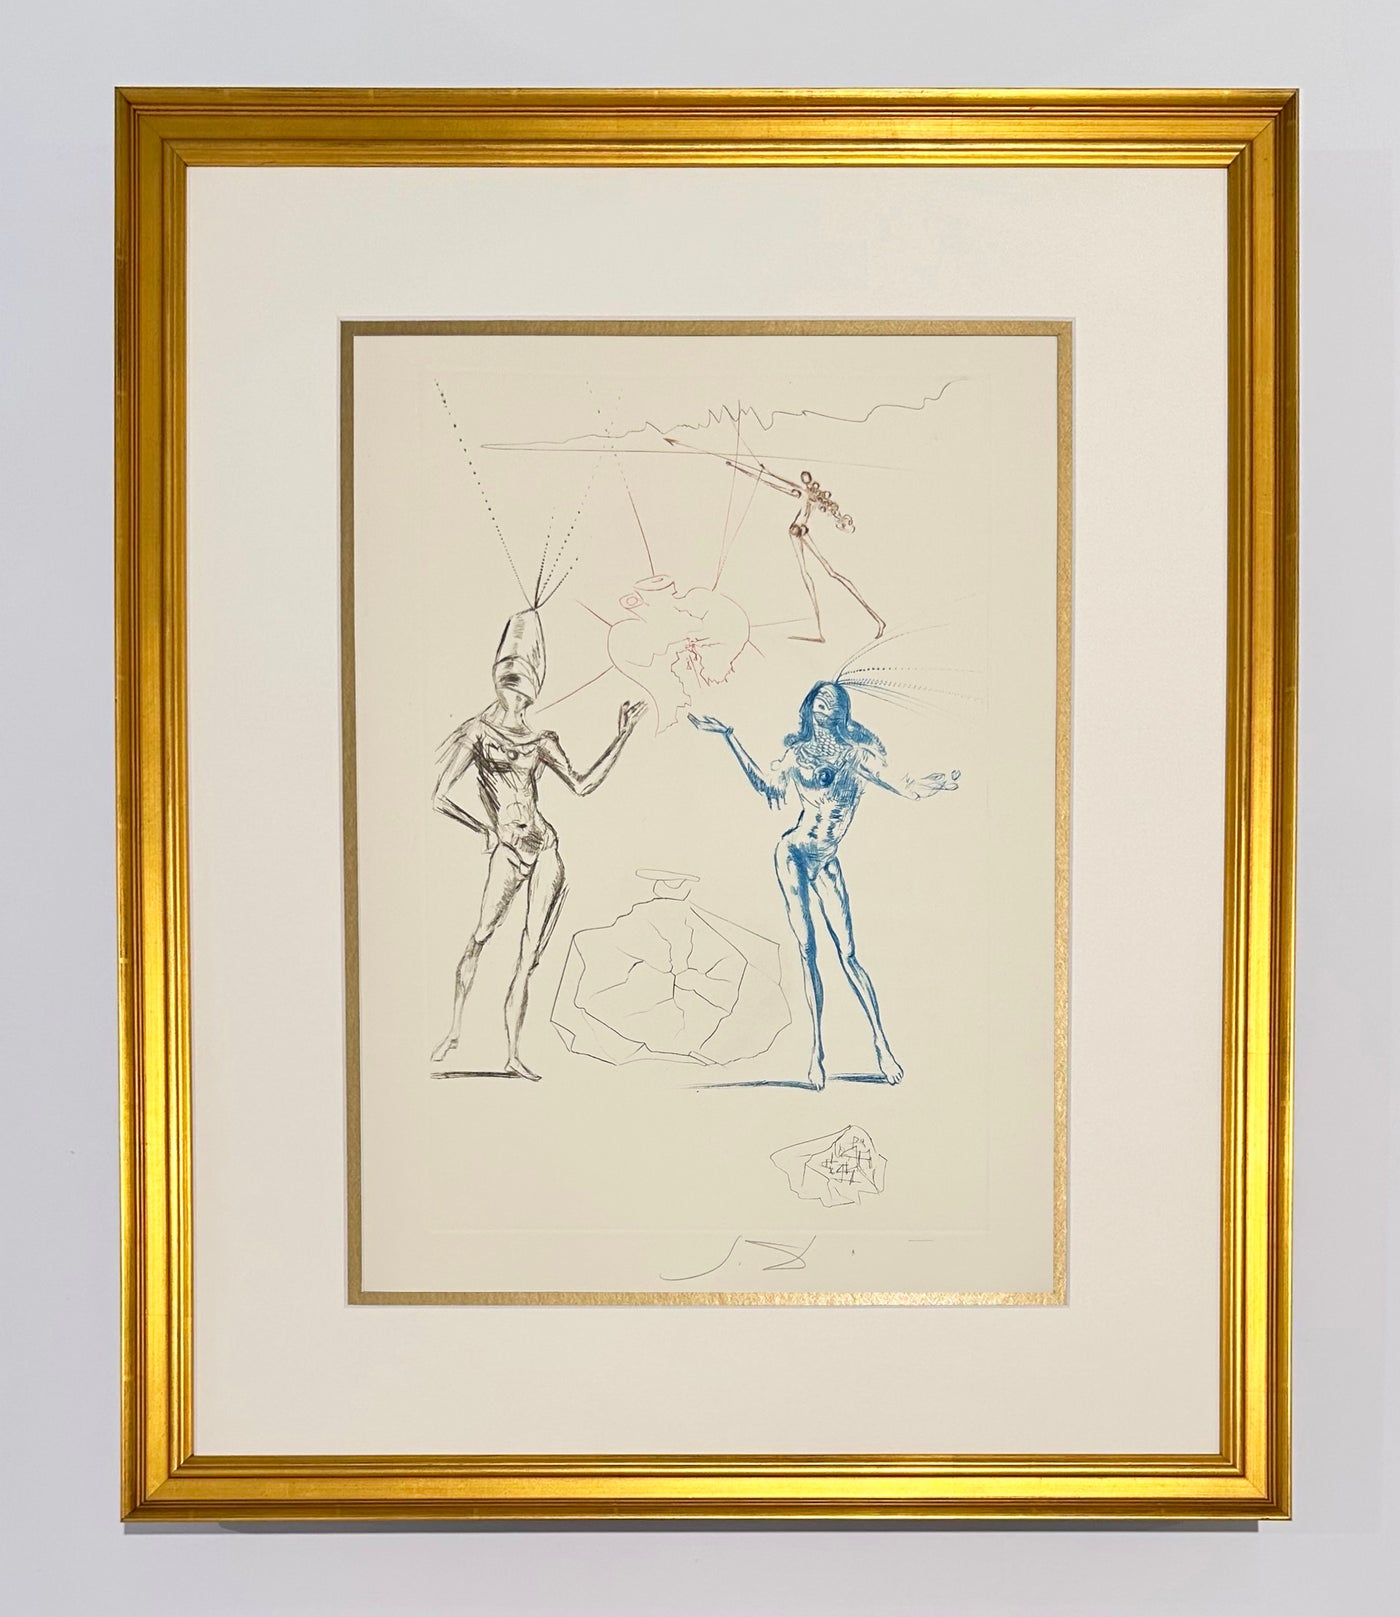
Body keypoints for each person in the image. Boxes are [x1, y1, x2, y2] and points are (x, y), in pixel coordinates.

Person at [689, 681, 956, 1089]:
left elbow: (902, 784)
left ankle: (882, 1046)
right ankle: (816, 1052)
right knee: (808, 951)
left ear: (841, 712)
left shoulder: (856, 757)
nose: (823, 704)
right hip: (794, 855)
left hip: (826, 861)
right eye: (819, 698)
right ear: (810, 708)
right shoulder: (796, 755)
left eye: (831, 701)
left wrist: (933, 784)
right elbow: (765, 785)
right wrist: (729, 736)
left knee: (848, 955)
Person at [431, 607, 646, 1078]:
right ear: (496, 677)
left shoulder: (541, 740)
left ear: (534, 687)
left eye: (524, 678)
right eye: (509, 675)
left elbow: (582, 785)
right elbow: (440, 796)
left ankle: (512, 1054)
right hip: (508, 853)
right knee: (482, 935)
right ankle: (454, 1030)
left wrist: (622, 736)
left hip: (545, 849)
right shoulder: (477, 733)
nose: (515, 686)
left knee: (528, 954)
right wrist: (483, 829)